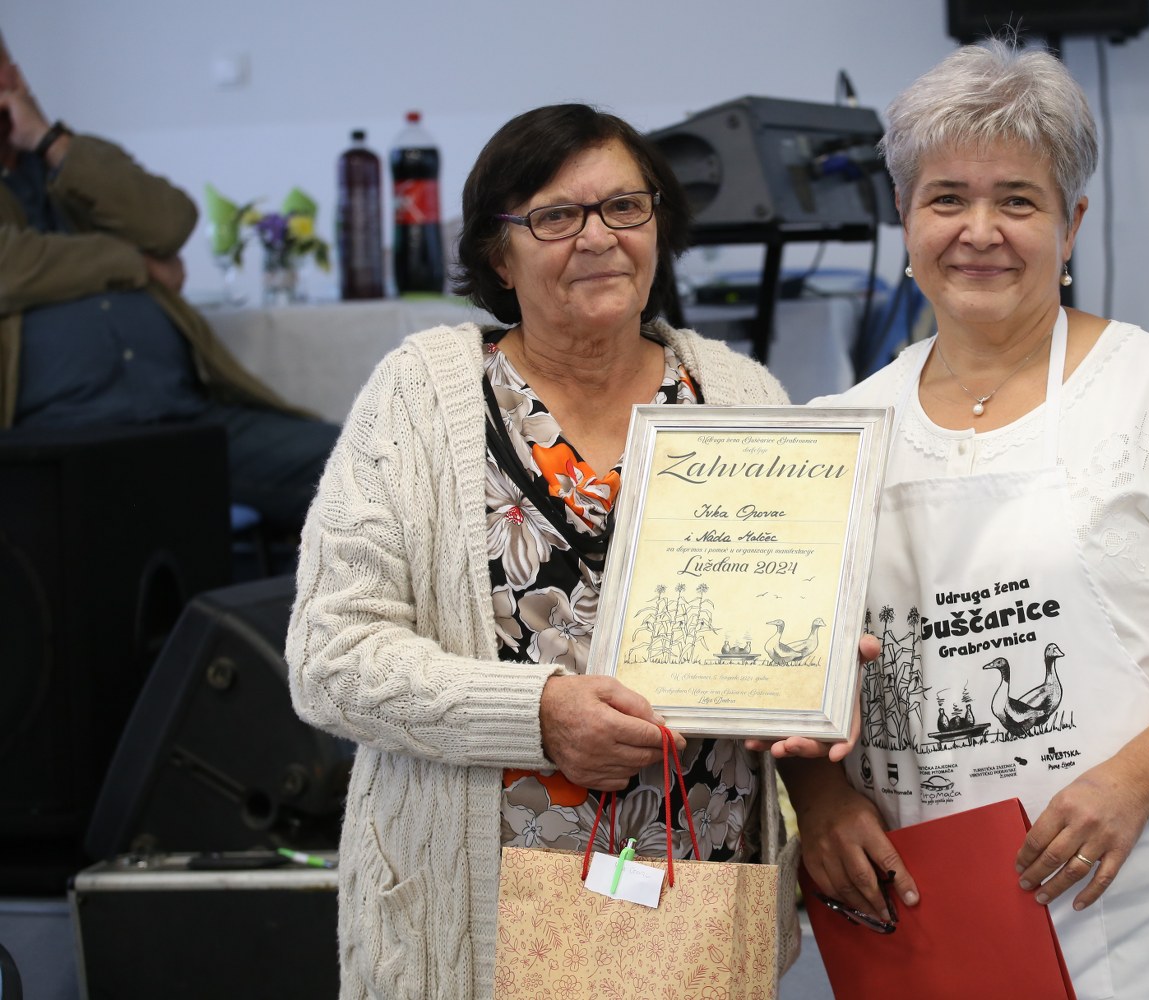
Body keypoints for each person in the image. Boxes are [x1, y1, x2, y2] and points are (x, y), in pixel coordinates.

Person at [780, 39, 1149, 999]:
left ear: (1072, 223)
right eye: (946, 199)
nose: (980, 231)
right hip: (919, 889)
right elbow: (785, 671)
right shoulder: (838, 430)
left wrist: (1130, 785)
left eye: (1018, 201)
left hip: (1131, 887)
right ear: (904, 216)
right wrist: (823, 801)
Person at [285, 104, 807, 1000]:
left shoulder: (741, 395)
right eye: (556, 216)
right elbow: (330, 657)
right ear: (499, 255)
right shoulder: (419, 399)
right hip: (475, 927)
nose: (598, 237)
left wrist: (816, 661)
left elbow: (792, 614)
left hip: (700, 901)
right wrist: (539, 714)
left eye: (625, 208)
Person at [0, 30, 338, 536]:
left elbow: (171, 220)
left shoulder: (75, 160)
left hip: (190, 419)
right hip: (55, 437)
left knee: (371, 463)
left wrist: (50, 142)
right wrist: (135, 263)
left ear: (17, 75)